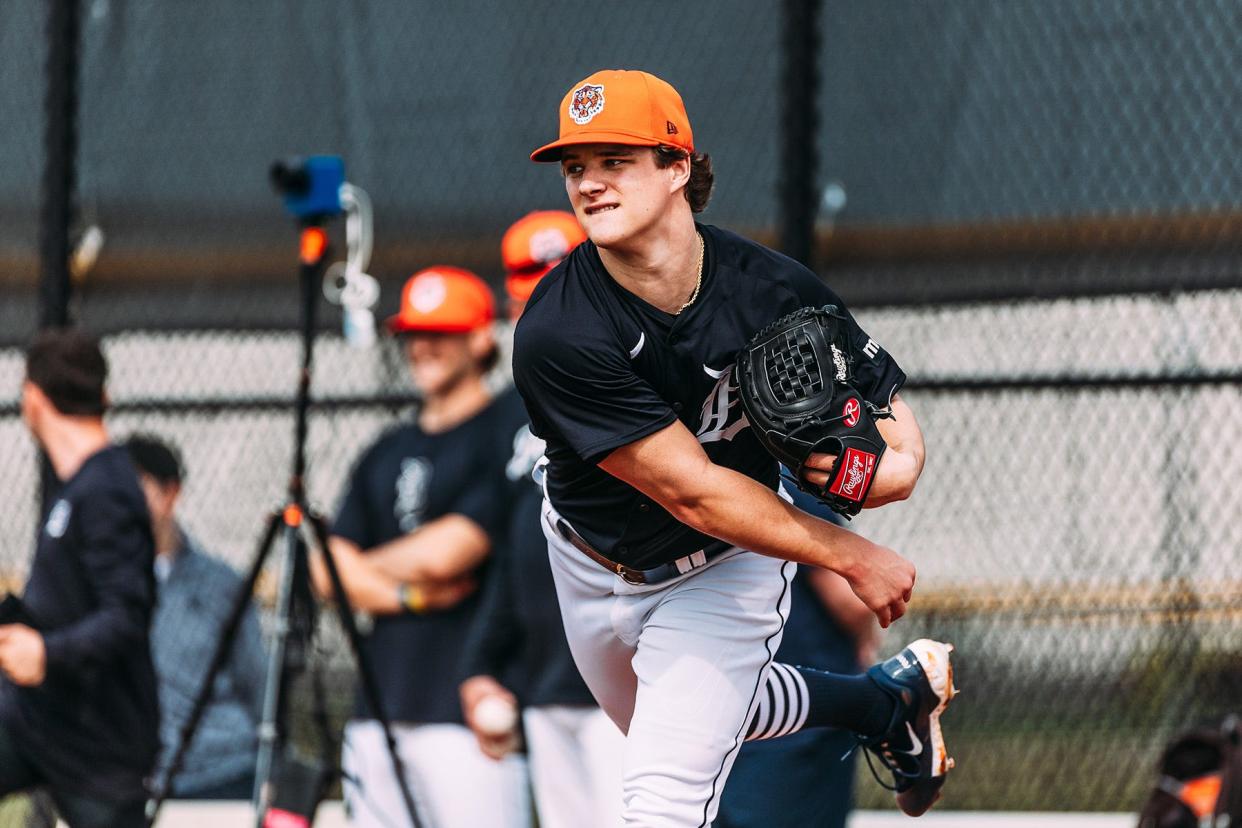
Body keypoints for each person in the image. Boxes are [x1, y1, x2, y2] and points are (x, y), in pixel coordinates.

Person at [512, 69, 957, 825]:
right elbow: (692, 489)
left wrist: (892, 471)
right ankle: (885, 703)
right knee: (707, 717)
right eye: (576, 167)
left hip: (720, 571)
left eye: (614, 160)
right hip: (588, 562)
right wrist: (852, 554)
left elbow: (889, 422)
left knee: (662, 799)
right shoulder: (560, 330)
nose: (588, 183)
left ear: (678, 165)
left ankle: (882, 704)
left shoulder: (771, 290)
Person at [312, 266, 529, 828]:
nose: (424, 347)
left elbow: (451, 553)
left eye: (443, 332)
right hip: (380, 705)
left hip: (467, 711)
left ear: (481, 337)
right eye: (415, 333)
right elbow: (322, 570)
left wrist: (362, 568)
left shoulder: (505, 427)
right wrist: (409, 595)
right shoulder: (387, 447)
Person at [459, 210, 625, 828]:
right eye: (532, 293)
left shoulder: (635, 378)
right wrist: (480, 666)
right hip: (548, 680)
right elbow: (513, 551)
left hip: (630, 676)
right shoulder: (512, 412)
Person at [0, 329, 158, 827]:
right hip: (41, 721)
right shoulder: (77, 487)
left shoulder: (106, 490)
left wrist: (46, 653)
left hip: (98, 746)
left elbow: (126, 614)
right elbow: (62, 606)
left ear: (33, 398)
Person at [716, 486, 878, 828]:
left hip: (732, 710)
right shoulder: (784, 485)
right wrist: (866, 644)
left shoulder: (706, 488)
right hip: (808, 712)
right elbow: (851, 603)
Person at [125, 433, 267, 800]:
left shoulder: (220, 584)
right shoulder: (99, 584)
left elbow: (258, 682)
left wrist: (272, 765)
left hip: (222, 772)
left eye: (137, 489)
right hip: (132, 779)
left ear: (170, 494)